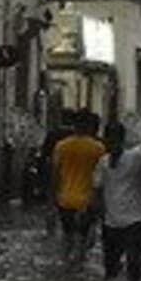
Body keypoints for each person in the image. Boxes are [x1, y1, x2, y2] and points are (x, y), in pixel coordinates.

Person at [94, 122, 141, 281]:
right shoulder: (103, 162)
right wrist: (98, 214)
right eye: (109, 139)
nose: (112, 142)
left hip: (134, 220)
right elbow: (97, 190)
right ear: (105, 140)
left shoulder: (136, 158)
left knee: (133, 267)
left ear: (122, 139)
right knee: (110, 270)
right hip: (110, 222)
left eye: (115, 139)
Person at [52, 110, 106, 265]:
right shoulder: (98, 148)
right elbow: (102, 178)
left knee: (67, 236)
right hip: (87, 201)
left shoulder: (61, 146)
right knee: (83, 239)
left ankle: (65, 267)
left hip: (65, 199)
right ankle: (79, 267)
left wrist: (52, 199)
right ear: (89, 125)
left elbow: (55, 175)